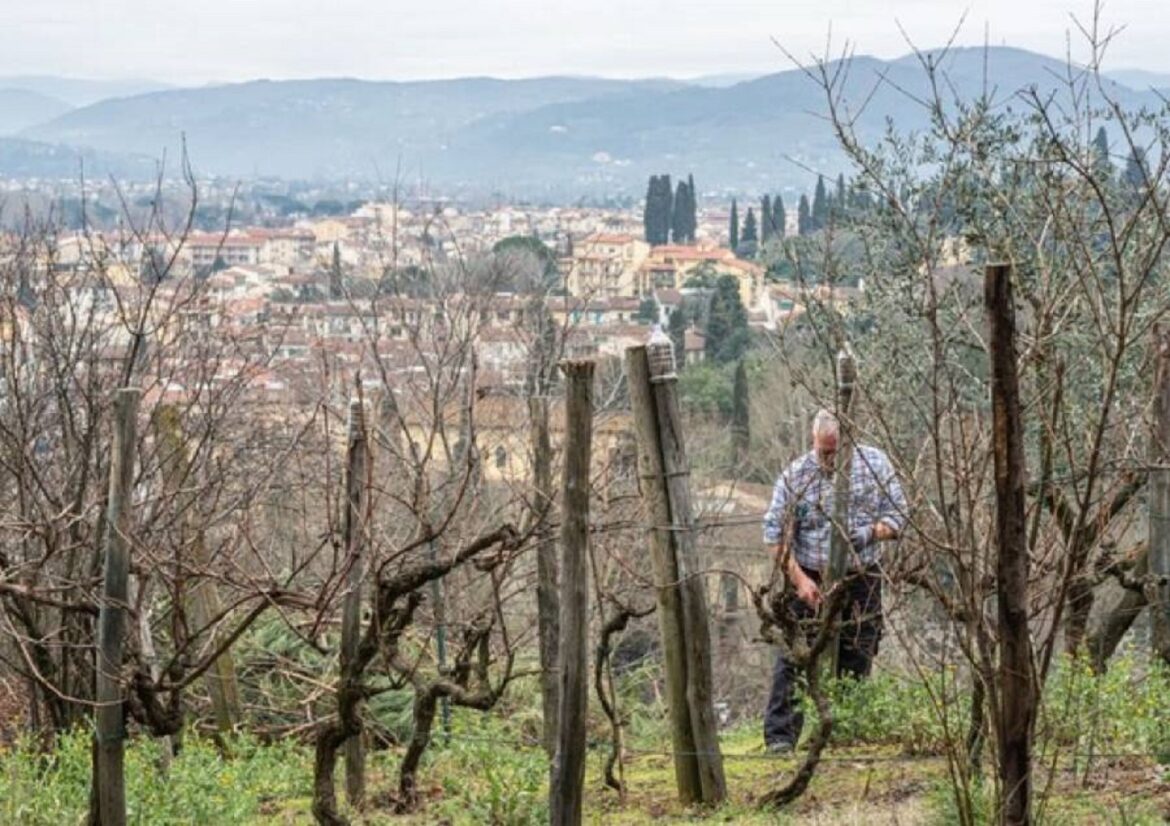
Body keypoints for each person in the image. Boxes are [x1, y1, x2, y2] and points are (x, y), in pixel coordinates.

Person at [761, 408, 907, 753]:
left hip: (862, 573)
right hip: (811, 573)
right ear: (814, 442)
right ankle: (780, 737)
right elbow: (773, 534)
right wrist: (799, 580)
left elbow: (899, 514)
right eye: (823, 451)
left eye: (835, 451)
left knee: (860, 646)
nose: (829, 459)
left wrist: (871, 533)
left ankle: (847, 729)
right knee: (796, 652)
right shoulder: (796, 476)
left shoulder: (875, 465)